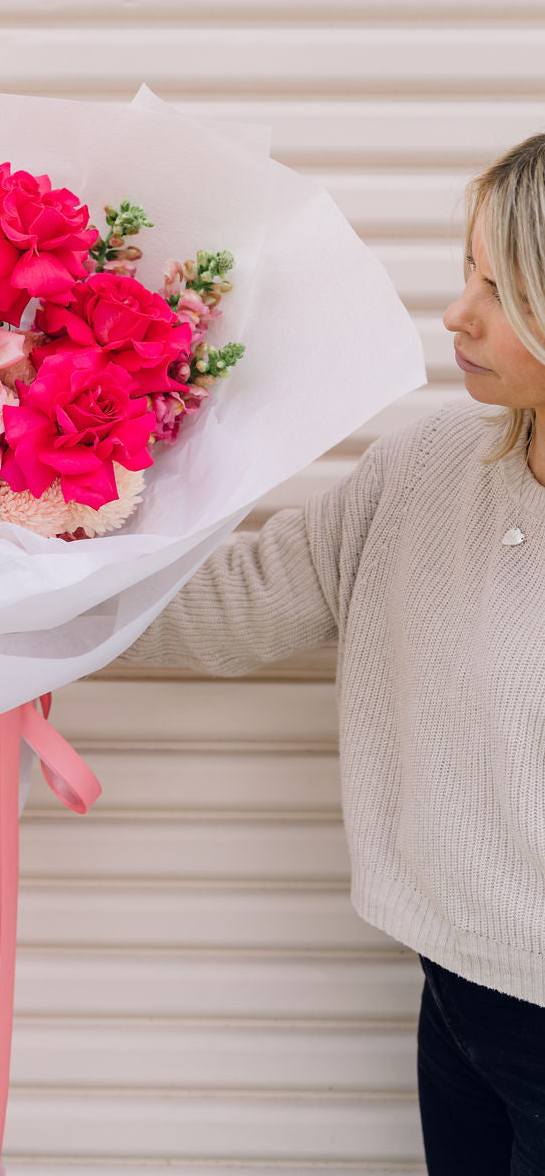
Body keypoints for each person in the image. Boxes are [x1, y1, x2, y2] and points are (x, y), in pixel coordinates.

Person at [123, 134, 545, 1175]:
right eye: (466, 270)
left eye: (502, 286)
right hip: (452, 990)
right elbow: (233, 610)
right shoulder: (426, 465)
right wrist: (19, 537)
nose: (458, 312)